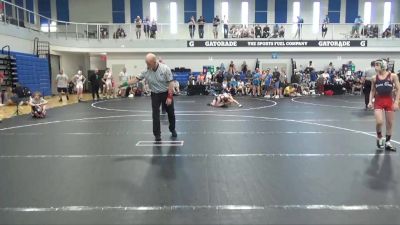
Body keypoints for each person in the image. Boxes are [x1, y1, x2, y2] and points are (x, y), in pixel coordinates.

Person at [119, 53, 177, 142]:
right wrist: (125, 83)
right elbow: (136, 79)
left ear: (154, 62)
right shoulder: (146, 70)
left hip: (166, 92)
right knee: (155, 115)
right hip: (155, 94)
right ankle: (157, 134)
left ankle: (172, 129)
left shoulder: (165, 69)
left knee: (171, 113)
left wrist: (169, 96)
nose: (147, 65)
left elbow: (171, 83)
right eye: (146, 63)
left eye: (148, 64)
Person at [368, 59, 400, 151]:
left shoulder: (393, 76)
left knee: (389, 123)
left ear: (383, 66)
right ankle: (379, 136)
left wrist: (396, 102)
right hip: (378, 101)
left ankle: (388, 142)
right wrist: (370, 101)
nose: (375, 67)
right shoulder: (374, 78)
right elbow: (372, 90)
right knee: (379, 122)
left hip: (389, 101)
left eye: (377, 65)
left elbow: (398, 89)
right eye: (375, 65)